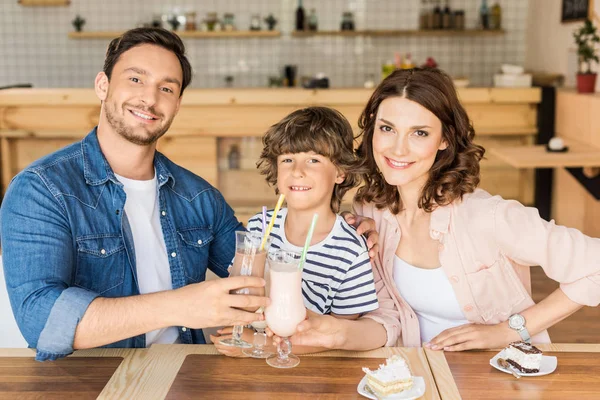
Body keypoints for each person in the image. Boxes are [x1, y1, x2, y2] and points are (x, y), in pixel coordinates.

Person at [0, 28, 378, 361]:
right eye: (135, 79)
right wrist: (179, 306)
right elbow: (41, 322)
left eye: (167, 88)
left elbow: (258, 271)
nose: (149, 99)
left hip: (190, 373)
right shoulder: (42, 190)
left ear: (177, 103)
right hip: (91, 383)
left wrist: (330, 221)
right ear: (103, 85)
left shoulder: (199, 197)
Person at [281, 67, 600, 352]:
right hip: (417, 376)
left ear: (445, 139)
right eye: (387, 128)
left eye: (419, 133)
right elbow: (387, 313)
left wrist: (505, 331)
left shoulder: (487, 216)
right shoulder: (371, 209)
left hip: (501, 374)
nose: (398, 148)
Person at [213, 107, 379, 355]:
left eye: (313, 160)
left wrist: (261, 344)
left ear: (340, 172)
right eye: (287, 160)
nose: (297, 171)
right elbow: (242, 295)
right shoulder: (260, 226)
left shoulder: (350, 250)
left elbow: (338, 335)